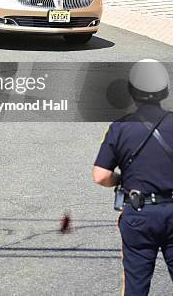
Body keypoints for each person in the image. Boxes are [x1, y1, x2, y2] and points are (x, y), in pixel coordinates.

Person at [93, 59, 173, 295]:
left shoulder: (120, 128)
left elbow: (100, 176)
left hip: (139, 214)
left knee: (136, 285)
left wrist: (121, 180)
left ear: (131, 92)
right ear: (165, 91)